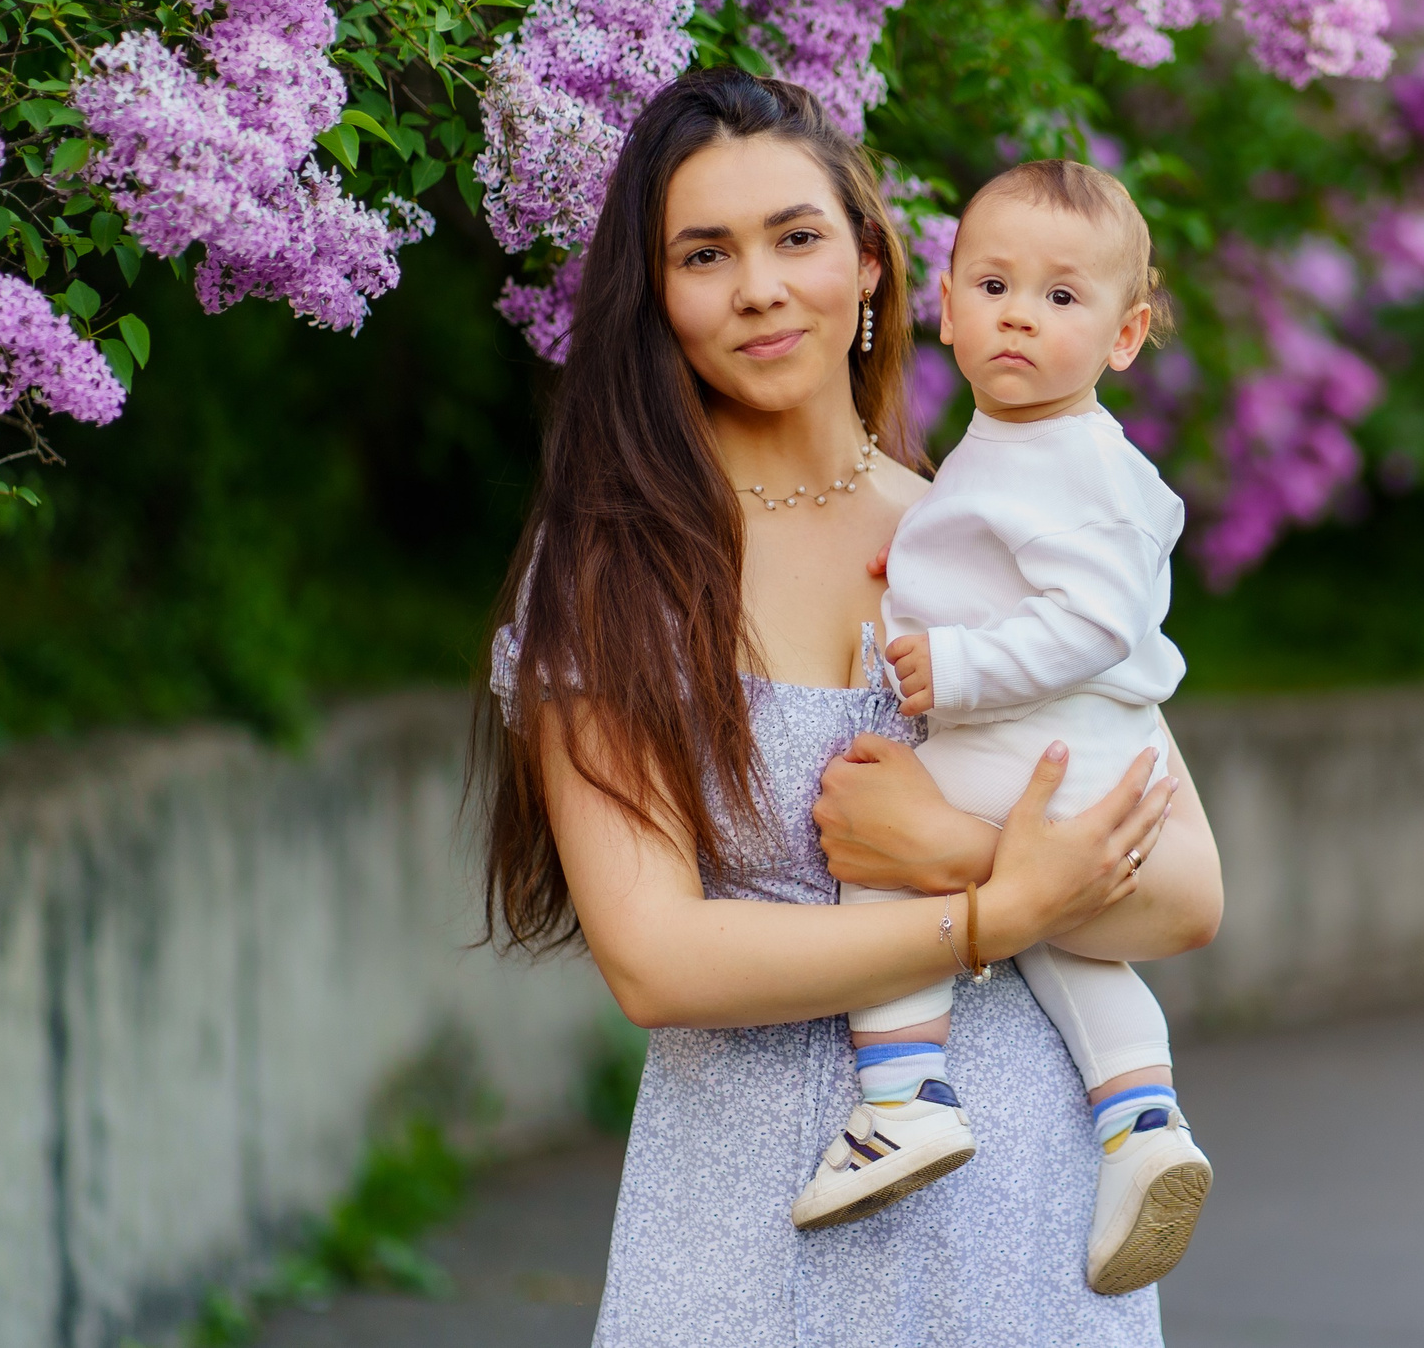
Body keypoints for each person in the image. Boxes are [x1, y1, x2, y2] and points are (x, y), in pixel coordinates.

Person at [475, 67, 1225, 1348]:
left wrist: (956, 860)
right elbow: (657, 961)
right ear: (655, 299)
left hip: (1028, 1213)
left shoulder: (980, 535)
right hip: (749, 1225)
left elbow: (1186, 891)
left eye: (798, 238)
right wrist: (993, 914)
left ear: (871, 266)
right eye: (704, 253)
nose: (760, 287)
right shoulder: (615, 569)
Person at [794, 158, 1210, 1298]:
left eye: (1062, 298)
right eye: (992, 283)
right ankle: (1142, 1126)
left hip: (1032, 749)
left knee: (882, 856)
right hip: (1072, 752)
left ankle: (902, 1100)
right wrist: (924, 579)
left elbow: (1093, 615)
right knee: (1070, 939)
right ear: (944, 301)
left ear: (1124, 339)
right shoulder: (1020, 448)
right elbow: (1001, 561)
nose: (1020, 313)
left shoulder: (1077, 460)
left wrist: (962, 663)